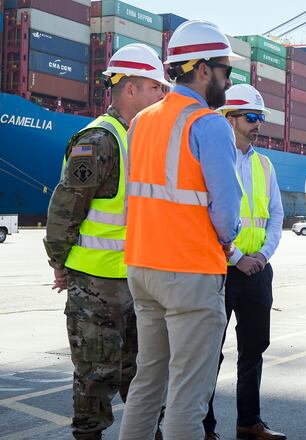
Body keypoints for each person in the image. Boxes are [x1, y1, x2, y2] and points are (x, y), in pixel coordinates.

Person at [118, 20, 243, 440]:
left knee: (146, 386)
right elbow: (226, 214)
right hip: (190, 271)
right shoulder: (208, 124)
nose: (229, 80)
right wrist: (227, 240)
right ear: (204, 70)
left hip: (141, 267)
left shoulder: (141, 122)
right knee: (188, 399)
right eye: (227, 71)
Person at [43, 44, 168, 440]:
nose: (162, 96)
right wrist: (62, 265)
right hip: (96, 287)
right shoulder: (99, 140)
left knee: (142, 376)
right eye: (154, 87)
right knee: (95, 378)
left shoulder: (138, 138)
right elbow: (65, 209)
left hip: (136, 283)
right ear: (129, 88)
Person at [202, 84, 286, 440]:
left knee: (254, 350)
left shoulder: (264, 164)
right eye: (251, 117)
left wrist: (262, 256)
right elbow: (205, 215)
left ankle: (249, 423)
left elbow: (277, 217)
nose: (257, 125)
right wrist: (236, 257)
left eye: (261, 118)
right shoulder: (210, 157)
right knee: (208, 354)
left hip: (257, 273)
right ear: (228, 118)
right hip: (219, 270)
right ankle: (203, 428)